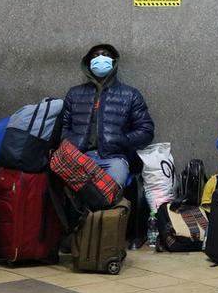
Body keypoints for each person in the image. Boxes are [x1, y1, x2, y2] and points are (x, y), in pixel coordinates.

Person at [61, 43, 154, 189]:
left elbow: (146, 130)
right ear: (88, 63)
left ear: (114, 61)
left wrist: (122, 140)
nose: (100, 58)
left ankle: (105, 209)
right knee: (71, 192)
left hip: (114, 158)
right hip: (80, 157)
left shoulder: (130, 94)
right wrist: (73, 143)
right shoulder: (74, 93)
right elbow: (62, 127)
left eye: (105, 55)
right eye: (95, 55)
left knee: (109, 191)